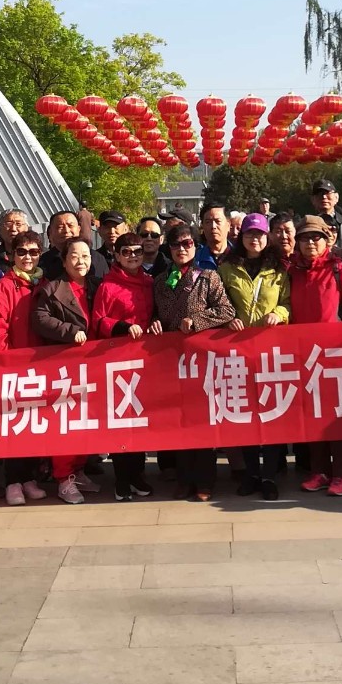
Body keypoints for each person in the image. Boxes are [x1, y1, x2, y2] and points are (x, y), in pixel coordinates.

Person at [152, 224, 240, 501]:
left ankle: (205, 481)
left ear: (196, 246)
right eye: (175, 245)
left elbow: (227, 310)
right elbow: (156, 314)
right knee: (178, 422)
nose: (181, 249)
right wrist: (154, 323)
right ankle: (184, 479)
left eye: (187, 243)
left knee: (203, 422)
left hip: (202, 360)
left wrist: (197, 321)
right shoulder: (160, 281)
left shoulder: (208, 277)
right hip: (172, 360)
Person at [286, 217, 342, 497]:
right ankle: (319, 471)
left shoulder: (339, 270)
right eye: (304, 238)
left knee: (337, 418)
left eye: (316, 237)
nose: (310, 243)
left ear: (327, 240)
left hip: (336, 355)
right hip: (303, 356)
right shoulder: (292, 272)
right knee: (312, 416)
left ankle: (341, 474)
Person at [219, 213, 291, 497]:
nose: (255, 239)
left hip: (270, 351)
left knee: (272, 415)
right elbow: (220, 301)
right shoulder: (227, 267)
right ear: (242, 237)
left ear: (267, 237)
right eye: (250, 234)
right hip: (238, 351)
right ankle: (250, 474)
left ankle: (270, 476)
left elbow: (288, 303)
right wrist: (228, 319)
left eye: (260, 234)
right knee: (245, 415)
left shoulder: (279, 269)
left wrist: (279, 313)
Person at [31, 239, 103, 505]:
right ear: (63, 260)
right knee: (67, 423)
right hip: (66, 366)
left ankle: (78, 470)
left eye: (85, 256)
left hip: (95, 365)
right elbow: (39, 319)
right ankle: (63, 478)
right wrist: (71, 332)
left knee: (88, 422)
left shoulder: (98, 285)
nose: (80, 261)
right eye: (74, 256)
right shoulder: (53, 289)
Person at [92, 232, 162, 501]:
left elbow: (156, 312)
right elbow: (98, 321)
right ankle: (122, 478)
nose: (133, 256)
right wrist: (122, 327)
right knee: (121, 421)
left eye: (137, 251)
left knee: (140, 420)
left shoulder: (149, 283)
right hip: (117, 360)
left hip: (145, 361)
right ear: (116, 255)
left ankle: (136, 474)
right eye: (126, 252)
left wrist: (155, 323)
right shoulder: (108, 285)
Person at [0, 231, 47, 505]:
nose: (27, 257)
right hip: (14, 368)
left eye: (33, 252)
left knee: (33, 425)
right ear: (11, 256)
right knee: (14, 425)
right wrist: (7, 358)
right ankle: (13, 482)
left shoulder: (44, 283)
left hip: (40, 366)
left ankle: (29, 478)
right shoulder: (5, 285)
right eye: (22, 252)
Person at [41, 210, 108, 287]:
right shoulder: (43, 261)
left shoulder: (97, 258)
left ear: (79, 229)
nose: (66, 230)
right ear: (51, 231)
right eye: (60, 227)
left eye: (70, 226)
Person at [311, 179, 342, 250]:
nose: (324, 197)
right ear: (313, 200)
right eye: (320, 194)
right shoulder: (307, 226)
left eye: (327, 193)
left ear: (336, 197)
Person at [195, 203, 232, 271]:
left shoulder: (240, 257)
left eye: (218, 221)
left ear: (228, 225)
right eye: (208, 222)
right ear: (202, 226)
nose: (213, 226)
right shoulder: (195, 259)